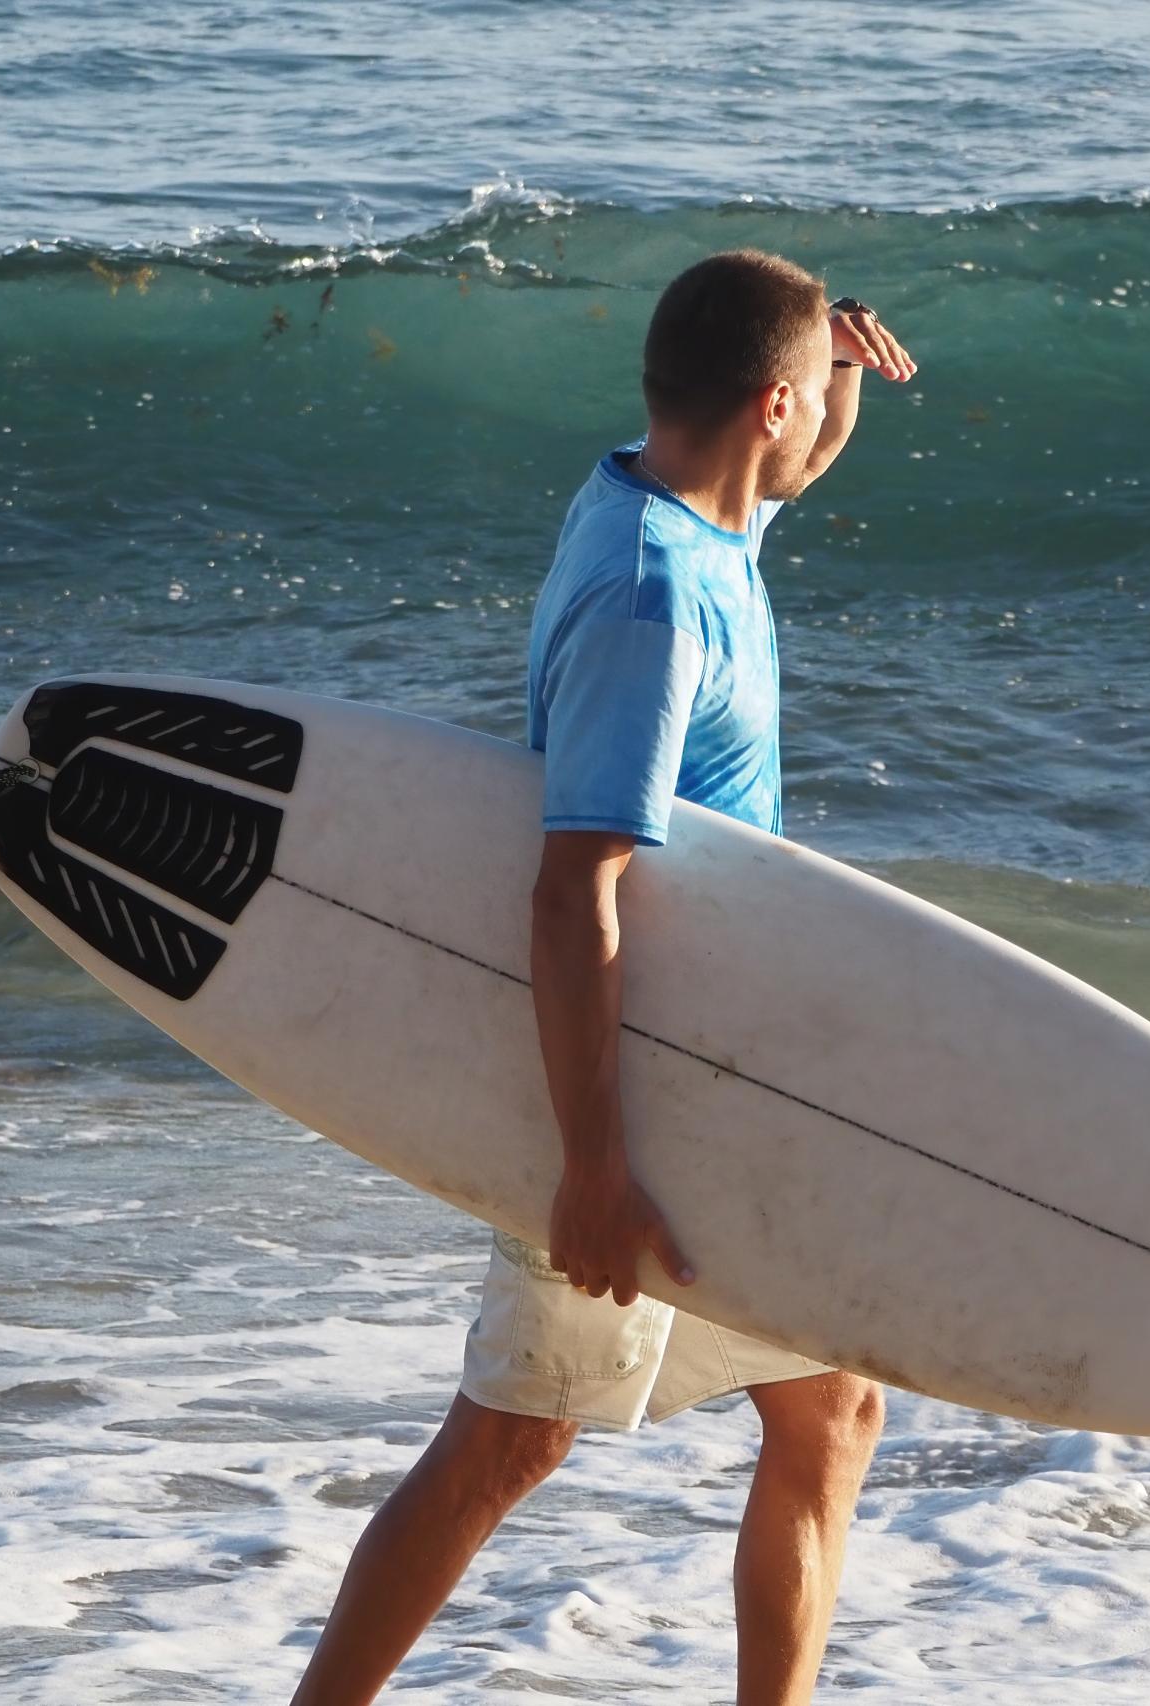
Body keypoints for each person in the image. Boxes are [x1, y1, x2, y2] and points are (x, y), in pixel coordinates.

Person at [290, 250, 918, 1706]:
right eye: (803, 399)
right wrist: (591, 1167)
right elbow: (575, 893)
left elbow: (792, 471)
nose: (812, 431)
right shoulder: (655, 598)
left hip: (713, 1082)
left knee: (834, 1411)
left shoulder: (687, 500)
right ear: (761, 402)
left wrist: (839, 374)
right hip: (629, 1100)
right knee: (510, 1439)